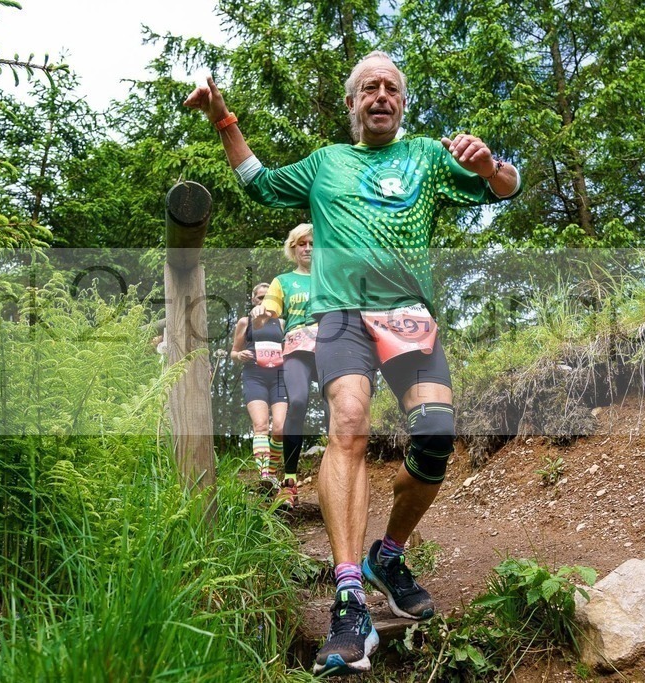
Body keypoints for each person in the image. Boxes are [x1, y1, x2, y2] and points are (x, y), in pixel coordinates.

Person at [186, 50, 520, 676]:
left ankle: (388, 558)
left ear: (402, 102)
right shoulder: (326, 164)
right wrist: (224, 118)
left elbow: (504, 189)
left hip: (407, 313)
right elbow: (257, 179)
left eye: (391, 88)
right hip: (340, 316)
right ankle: (348, 599)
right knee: (348, 422)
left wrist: (492, 165)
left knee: (436, 436)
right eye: (368, 88)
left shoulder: (425, 155)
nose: (381, 96)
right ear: (351, 104)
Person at [252, 223, 321, 508]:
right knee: (299, 400)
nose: (306, 248)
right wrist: (262, 311)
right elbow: (269, 310)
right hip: (297, 348)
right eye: (300, 244)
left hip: (330, 346)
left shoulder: (329, 277)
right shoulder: (283, 281)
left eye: (312, 243)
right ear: (293, 249)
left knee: (337, 410)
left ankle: (336, 478)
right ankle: (290, 480)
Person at [231, 282, 287, 490]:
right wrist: (240, 355)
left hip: (279, 377)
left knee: (280, 427)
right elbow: (234, 352)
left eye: (267, 297)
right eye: (259, 298)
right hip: (254, 375)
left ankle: (272, 473)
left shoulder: (281, 323)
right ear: (253, 300)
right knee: (261, 425)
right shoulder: (245, 322)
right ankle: (264, 474)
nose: (263, 301)